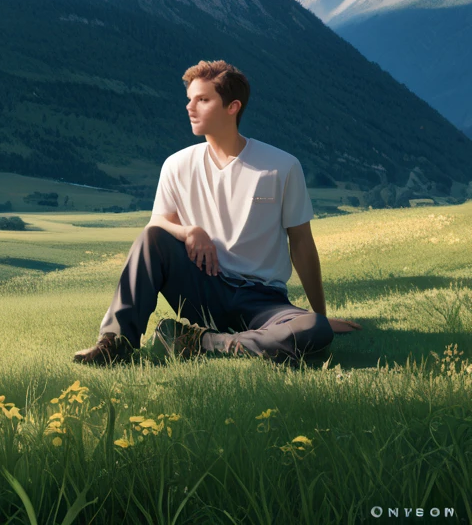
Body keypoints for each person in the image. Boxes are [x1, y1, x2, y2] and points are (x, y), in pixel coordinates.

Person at [73, 59, 362, 365]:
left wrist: (319, 315)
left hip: (263, 301)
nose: (190, 107)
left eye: (203, 100)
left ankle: (203, 342)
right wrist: (189, 231)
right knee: (151, 238)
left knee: (312, 329)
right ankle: (115, 344)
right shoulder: (176, 165)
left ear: (232, 107)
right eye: (189, 100)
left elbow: (302, 243)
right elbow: (157, 223)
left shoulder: (282, 166)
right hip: (204, 289)